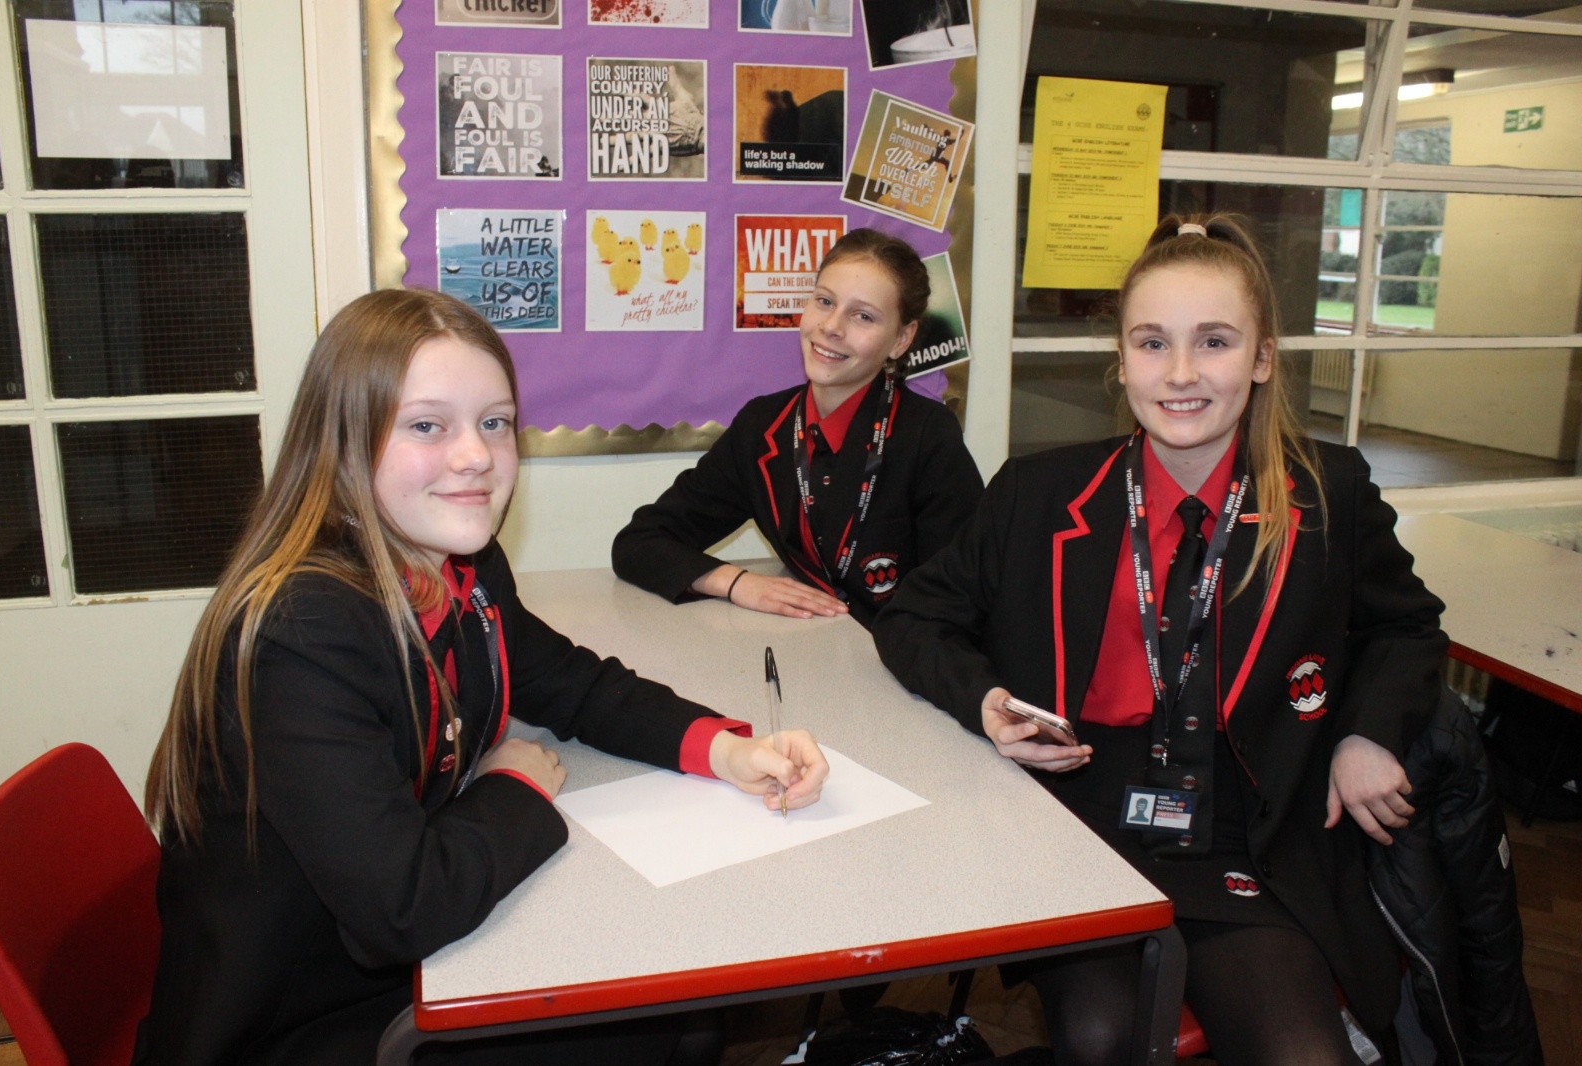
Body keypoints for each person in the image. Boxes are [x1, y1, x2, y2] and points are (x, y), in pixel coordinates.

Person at [136, 289, 829, 1066]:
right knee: (669, 1027)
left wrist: (726, 749)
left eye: (494, 423)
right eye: (427, 425)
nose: (475, 455)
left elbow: (572, 683)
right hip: (296, 1016)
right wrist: (514, 786)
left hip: (396, 961)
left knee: (678, 1013)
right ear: (344, 442)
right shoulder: (303, 629)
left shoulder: (457, 563)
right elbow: (402, 910)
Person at [873, 214, 1447, 1066]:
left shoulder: (1329, 494)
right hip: (1081, 818)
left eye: (1214, 342)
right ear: (1121, 360)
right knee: (1099, 1035)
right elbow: (912, 617)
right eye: (1152, 343)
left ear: (1262, 358)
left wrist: (1367, 733)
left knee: (1304, 1056)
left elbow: (1406, 625)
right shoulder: (1037, 492)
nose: (1180, 374)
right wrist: (986, 702)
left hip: (1244, 832)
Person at [612, 228, 983, 627]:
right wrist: (737, 582)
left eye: (863, 316)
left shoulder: (928, 436)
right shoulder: (762, 426)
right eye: (825, 301)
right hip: (810, 645)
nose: (832, 326)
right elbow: (639, 542)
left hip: (900, 656)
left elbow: (963, 594)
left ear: (901, 339)